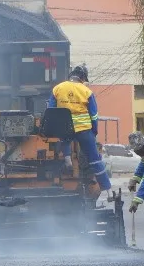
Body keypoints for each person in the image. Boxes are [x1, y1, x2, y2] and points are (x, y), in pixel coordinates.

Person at [47, 64, 112, 200]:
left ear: (71, 76)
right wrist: (94, 132)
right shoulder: (86, 91)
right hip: (84, 130)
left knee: (65, 141)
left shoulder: (58, 88)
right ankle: (107, 189)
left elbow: (51, 111)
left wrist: (55, 129)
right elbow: (94, 115)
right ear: (82, 78)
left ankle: (68, 160)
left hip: (65, 129)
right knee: (95, 159)